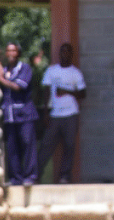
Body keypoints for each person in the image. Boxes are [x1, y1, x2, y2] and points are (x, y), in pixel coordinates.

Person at [37, 43, 86, 183]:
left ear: (71, 54)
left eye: (68, 52)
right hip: (54, 115)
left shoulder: (76, 73)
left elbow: (83, 94)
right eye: (63, 51)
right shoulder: (52, 71)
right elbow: (46, 91)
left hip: (71, 114)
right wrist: (45, 112)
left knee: (69, 146)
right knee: (46, 145)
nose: (65, 54)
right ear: (59, 54)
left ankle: (64, 176)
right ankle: (36, 175)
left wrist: (66, 91)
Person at [0, 42, 39, 186]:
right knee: (12, 148)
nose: (11, 54)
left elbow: (18, 86)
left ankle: (30, 176)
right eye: (8, 51)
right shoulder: (4, 70)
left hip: (25, 114)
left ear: (18, 53)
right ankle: (16, 179)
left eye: (14, 51)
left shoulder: (24, 68)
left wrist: (1, 79)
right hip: (9, 115)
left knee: (27, 145)